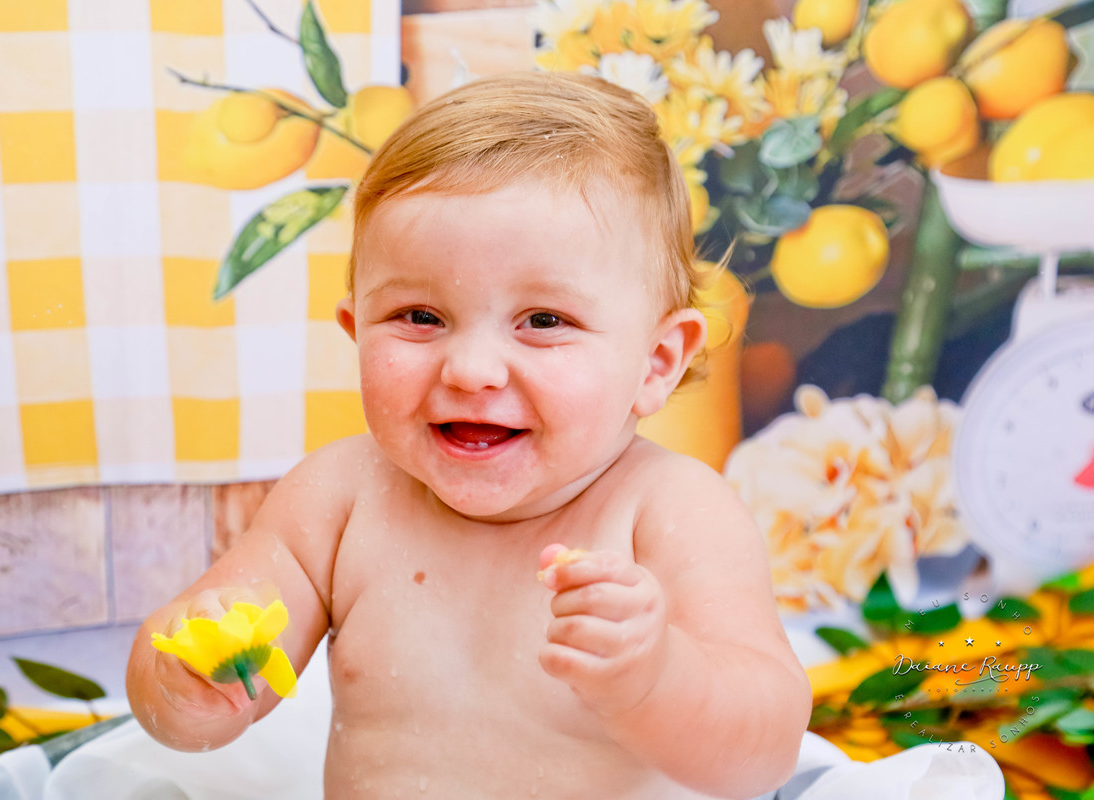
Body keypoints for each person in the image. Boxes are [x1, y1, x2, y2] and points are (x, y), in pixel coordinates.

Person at [127, 71, 811, 799]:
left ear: (657, 361)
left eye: (544, 321)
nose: (472, 370)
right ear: (357, 331)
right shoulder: (337, 499)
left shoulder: (672, 511)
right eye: (420, 317)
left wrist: (658, 679)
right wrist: (187, 684)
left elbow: (763, 754)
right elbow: (185, 719)